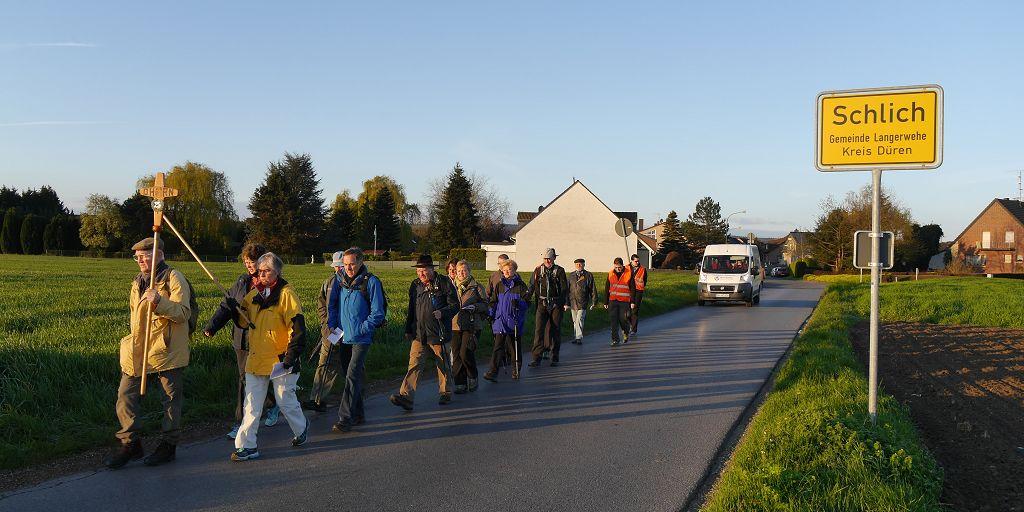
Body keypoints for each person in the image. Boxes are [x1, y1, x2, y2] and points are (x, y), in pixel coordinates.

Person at [105, 238, 193, 469]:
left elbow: (183, 313)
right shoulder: (137, 283)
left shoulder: (174, 277)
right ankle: (131, 443)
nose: (141, 260)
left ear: (160, 255)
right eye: (138, 257)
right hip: (139, 350)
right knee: (125, 397)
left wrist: (160, 301)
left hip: (167, 350)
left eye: (146, 255)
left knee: (170, 401)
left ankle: (168, 445)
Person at [228, 252, 309, 461]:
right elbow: (244, 322)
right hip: (256, 359)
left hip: (280, 359)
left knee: (285, 401)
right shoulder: (253, 295)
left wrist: (290, 357)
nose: (262, 274)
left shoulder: (286, 294)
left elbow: (298, 328)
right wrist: (235, 310)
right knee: (252, 405)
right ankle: (247, 446)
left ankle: (301, 429)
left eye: (267, 271)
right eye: (260, 271)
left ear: (277, 272)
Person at [204, 242, 279, 439]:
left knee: (261, 377)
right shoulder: (241, 282)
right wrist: (212, 326)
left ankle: (272, 404)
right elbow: (227, 306)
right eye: (246, 262)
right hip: (241, 340)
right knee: (243, 379)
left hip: (262, 340)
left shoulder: (272, 284)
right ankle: (241, 422)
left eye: (252, 261)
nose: (248, 265)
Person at [389, 254, 459, 410]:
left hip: (439, 333)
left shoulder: (444, 283)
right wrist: (408, 329)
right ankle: (406, 396)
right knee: (414, 364)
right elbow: (411, 310)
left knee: (443, 364)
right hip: (419, 334)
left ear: (431, 269)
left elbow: (455, 305)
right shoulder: (415, 285)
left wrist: (443, 312)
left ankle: (445, 392)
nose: (420, 274)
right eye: (418, 270)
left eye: (424, 270)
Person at [329, 247, 386, 433]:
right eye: (345, 264)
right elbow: (333, 306)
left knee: (353, 374)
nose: (348, 268)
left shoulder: (371, 282)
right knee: (349, 375)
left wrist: (362, 329)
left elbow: (378, 313)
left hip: (361, 338)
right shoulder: (340, 281)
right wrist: (334, 327)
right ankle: (359, 414)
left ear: (361, 262)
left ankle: (345, 418)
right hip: (344, 337)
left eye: (352, 264)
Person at [301, 252, 348, 413]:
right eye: (337, 266)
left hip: (350, 331)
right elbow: (321, 304)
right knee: (326, 362)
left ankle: (356, 395)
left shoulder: (355, 282)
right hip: (332, 331)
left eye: (341, 266)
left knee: (350, 365)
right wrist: (325, 325)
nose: (339, 269)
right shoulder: (329, 282)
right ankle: (317, 399)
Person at [484, 259, 529, 382]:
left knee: (514, 347)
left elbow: (527, 304)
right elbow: (494, 302)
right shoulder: (499, 285)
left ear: (514, 270)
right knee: (498, 347)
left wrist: (519, 303)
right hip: (501, 321)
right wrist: (490, 314)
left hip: (514, 321)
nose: (507, 272)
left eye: (509, 270)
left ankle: (516, 369)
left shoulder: (520, 286)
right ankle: (493, 372)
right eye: (504, 270)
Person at [451, 260, 488, 393]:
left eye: (464, 270)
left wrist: (475, 307)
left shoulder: (477, 287)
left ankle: (472, 376)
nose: (461, 273)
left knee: (465, 352)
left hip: (472, 324)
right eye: (459, 270)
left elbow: (485, 305)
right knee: (456, 354)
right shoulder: (451, 287)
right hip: (455, 324)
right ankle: (460, 383)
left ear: (469, 271)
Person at [527, 248, 568, 367]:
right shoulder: (538, 270)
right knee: (539, 330)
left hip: (556, 304)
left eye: (549, 258)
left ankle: (554, 357)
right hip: (542, 303)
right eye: (545, 258)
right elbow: (533, 286)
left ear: (554, 258)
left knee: (555, 330)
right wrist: (527, 297)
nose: (547, 261)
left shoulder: (560, 271)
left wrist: (560, 303)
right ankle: (536, 358)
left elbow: (564, 288)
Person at [604, 257, 635, 346]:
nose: (618, 269)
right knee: (613, 321)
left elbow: (633, 288)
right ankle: (615, 340)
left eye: (619, 267)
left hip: (624, 301)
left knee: (623, 319)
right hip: (613, 301)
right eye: (616, 267)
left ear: (622, 265)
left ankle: (626, 331)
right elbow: (607, 288)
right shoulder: (610, 273)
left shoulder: (628, 273)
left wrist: (632, 301)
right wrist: (605, 301)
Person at [567, 258, 596, 344]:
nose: (579, 266)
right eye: (577, 264)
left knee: (580, 319)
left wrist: (594, 301)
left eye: (580, 264)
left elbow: (593, 289)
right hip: (572, 301)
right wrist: (566, 302)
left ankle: (578, 337)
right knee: (575, 320)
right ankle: (576, 337)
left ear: (584, 265)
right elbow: (567, 290)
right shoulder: (571, 275)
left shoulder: (588, 275)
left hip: (583, 301)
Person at [628, 254, 648, 336]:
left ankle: (633, 329)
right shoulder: (626, 268)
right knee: (627, 311)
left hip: (638, 291)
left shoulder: (643, 269)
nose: (637, 262)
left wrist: (640, 286)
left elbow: (645, 280)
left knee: (635, 310)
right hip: (627, 291)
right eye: (636, 261)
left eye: (638, 261)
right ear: (631, 261)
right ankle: (630, 324)